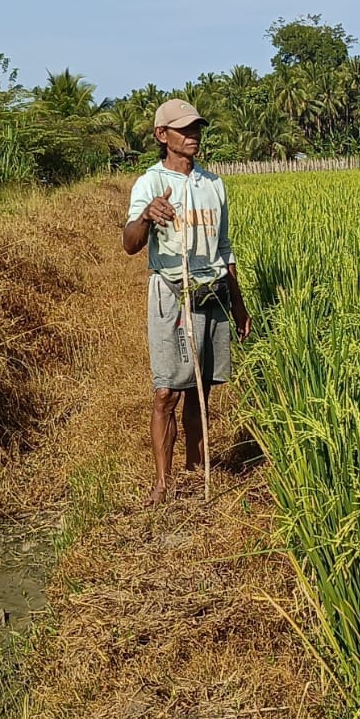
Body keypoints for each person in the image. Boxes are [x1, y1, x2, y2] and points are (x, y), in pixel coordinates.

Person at [122, 98, 252, 504]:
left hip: (211, 291)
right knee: (167, 392)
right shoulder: (150, 183)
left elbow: (224, 248)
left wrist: (238, 302)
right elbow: (129, 244)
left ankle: (197, 473)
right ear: (163, 136)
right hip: (172, 293)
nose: (193, 135)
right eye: (184, 129)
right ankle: (162, 484)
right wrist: (147, 216)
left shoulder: (213, 184)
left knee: (201, 390)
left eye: (196, 128)